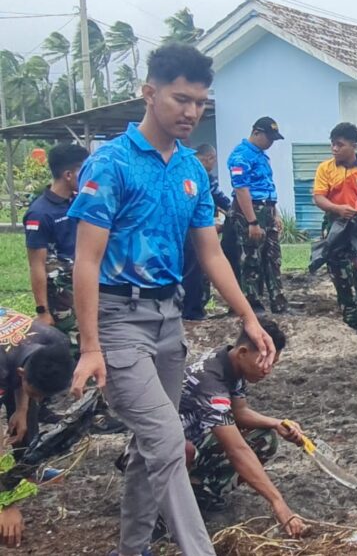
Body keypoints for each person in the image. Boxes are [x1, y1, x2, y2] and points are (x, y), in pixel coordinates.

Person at [67, 43, 276, 556]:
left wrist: (249, 318)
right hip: (118, 320)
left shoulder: (191, 171)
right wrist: (91, 346)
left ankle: (131, 548)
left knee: (147, 450)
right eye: (181, 98)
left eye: (201, 102)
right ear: (149, 93)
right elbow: (86, 262)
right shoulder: (111, 164)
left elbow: (211, 254)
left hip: (168, 319)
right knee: (165, 441)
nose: (191, 111)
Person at [178, 321, 306, 538]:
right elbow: (236, 449)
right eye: (264, 362)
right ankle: (164, 513)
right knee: (184, 449)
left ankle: (201, 493)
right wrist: (278, 503)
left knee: (264, 438)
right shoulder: (210, 381)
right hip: (160, 454)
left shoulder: (230, 364)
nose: (268, 370)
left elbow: (239, 412)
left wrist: (276, 423)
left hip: (196, 438)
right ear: (244, 352)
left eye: (273, 364)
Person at [0, 307, 77, 548]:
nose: (41, 401)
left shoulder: (56, 342)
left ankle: (26, 470)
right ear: (21, 374)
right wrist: (6, 504)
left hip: (10, 356)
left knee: (26, 419)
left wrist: (21, 410)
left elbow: (24, 368)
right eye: (37, 394)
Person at [312, 122, 357, 333]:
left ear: (354, 146)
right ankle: (349, 316)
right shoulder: (325, 168)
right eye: (332, 144)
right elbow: (319, 197)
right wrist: (337, 208)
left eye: (339, 145)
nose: (334, 149)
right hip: (334, 223)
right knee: (337, 271)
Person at [24, 144, 87, 343]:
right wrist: (42, 311)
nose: (90, 177)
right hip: (62, 296)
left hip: (85, 284)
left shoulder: (77, 201)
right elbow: (37, 265)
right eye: (85, 171)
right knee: (71, 346)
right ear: (69, 175)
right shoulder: (40, 213)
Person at [227, 116, 288, 314]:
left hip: (267, 208)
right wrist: (252, 222)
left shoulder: (261, 156)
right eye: (268, 138)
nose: (270, 143)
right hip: (250, 210)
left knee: (272, 257)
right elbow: (241, 189)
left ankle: (278, 301)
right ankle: (252, 303)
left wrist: (275, 214)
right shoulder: (241, 155)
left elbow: (268, 188)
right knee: (251, 257)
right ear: (256, 132)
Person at [183, 144, 234, 321]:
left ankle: (187, 308)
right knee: (196, 268)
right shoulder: (203, 175)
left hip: (180, 228)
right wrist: (233, 213)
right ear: (209, 158)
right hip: (197, 229)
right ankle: (193, 310)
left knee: (186, 268)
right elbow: (221, 198)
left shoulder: (183, 169)